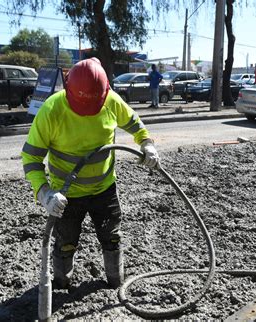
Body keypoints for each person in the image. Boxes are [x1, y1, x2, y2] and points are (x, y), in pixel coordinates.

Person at [21, 58, 160, 289]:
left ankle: (116, 283)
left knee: (112, 238)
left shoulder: (111, 100)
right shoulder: (51, 110)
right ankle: (61, 283)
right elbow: (31, 157)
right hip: (66, 197)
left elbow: (134, 123)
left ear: (105, 92)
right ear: (67, 89)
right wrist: (44, 193)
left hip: (104, 189)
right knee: (66, 244)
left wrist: (146, 143)